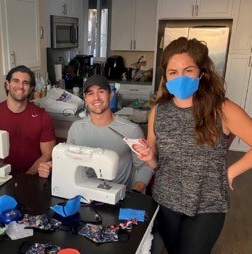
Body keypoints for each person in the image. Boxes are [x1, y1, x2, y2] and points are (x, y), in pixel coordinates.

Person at [132, 37, 252, 253]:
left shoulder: (222, 109)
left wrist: (231, 172)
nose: (180, 77)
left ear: (201, 74)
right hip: (166, 200)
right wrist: (148, 156)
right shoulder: (158, 112)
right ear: (166, 78)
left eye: (188, 70)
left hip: (208, 203)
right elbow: (155, 160)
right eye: (173, 72)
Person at [38, 74, 154, 192]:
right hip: (81, 192)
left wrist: (137, 189)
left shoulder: (131, 130)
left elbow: (145, 167)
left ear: (111, 95)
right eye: (90, 93)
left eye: (101, 91)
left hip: (117, 197)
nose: (96, 97)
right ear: (85, 98)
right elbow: (67, 160)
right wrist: (50, 166)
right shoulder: (76, 128)